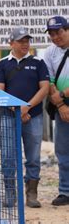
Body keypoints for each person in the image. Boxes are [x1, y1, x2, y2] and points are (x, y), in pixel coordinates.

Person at [0, 27, 49, 208]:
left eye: (27, 40)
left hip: (34, 116)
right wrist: (18, 109)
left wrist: (27, 107)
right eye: (21, 41)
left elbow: (44, 88)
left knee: (33, 157)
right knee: (8, 157)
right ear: (11, 43)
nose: (25, 44)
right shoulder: (2, 64)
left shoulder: (39, 62)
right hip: (9, 116)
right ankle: (10, 194)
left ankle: (31, 195)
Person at [43, 16, 69, 206]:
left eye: (58, 32)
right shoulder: (50, 52)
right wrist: (60, 105)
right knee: (62, 151)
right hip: (62, 107)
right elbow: (48, 80)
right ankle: (65, 191)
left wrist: (61, 95)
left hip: (62, 98)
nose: (55, 37)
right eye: (51, 34)